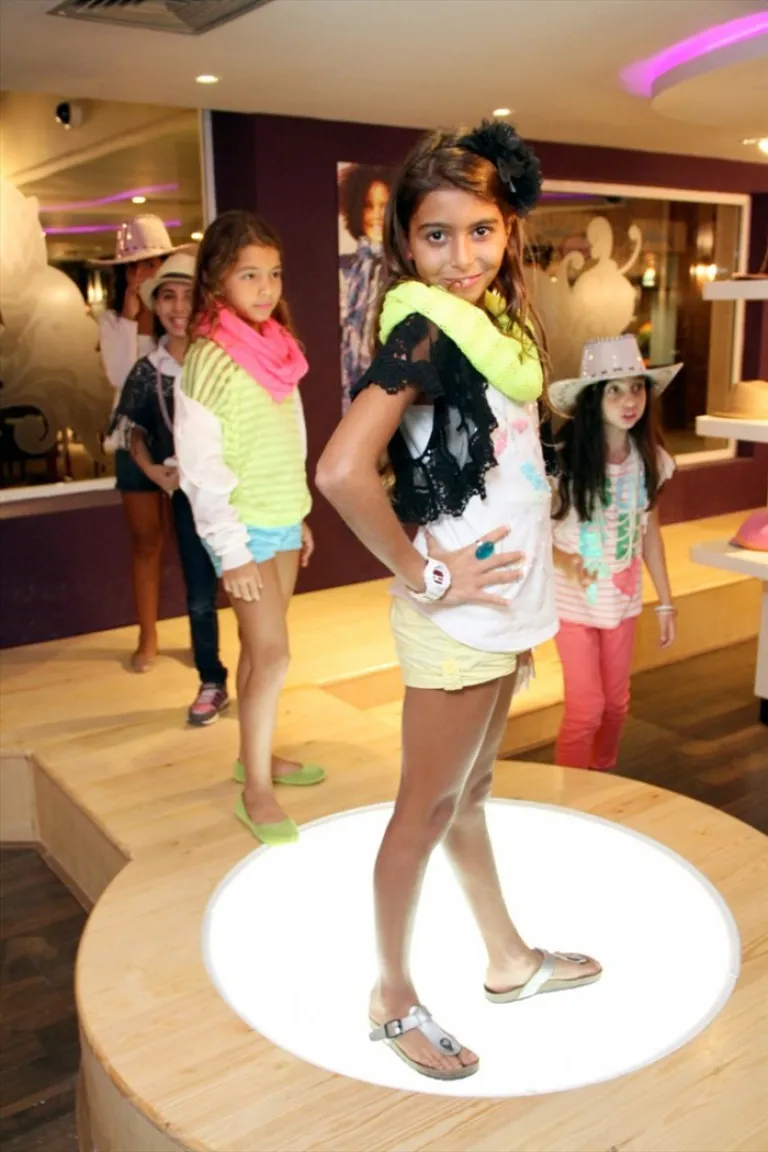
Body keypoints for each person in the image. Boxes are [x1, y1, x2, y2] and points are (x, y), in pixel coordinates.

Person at [317, 121, 601, 1083]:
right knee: (423, 811)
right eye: (436, 235)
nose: (462, 255)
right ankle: (390, 997)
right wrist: (424, 572)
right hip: (461, 623)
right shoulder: (425, 329)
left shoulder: (494, 330)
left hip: (497, 615)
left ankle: (507, 960)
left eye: (480, 230)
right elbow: (342, 471)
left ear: (508, 229)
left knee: (466, 795)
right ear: (406, 242)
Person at [175, 211, 325, 847]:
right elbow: (200, 470)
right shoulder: (207, 359)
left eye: (274, 273)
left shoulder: (278, 348)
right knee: (274, 655)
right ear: (216, 278)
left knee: (257, 650)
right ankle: (255, 789)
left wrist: (299, 512)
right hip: (244, 531)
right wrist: (231, 551)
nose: (266, 288)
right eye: (249, 275)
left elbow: (286, 440)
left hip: (281, 518)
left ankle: (253, 757)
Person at [549, 334, 679, 771]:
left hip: (622, 600)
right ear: (593, 399)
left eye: (637, 388)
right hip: (572, 604)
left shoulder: (649, 459)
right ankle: (568, 797)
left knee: (617, 706)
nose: (629, 400)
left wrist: (665, 601)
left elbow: (650, 533)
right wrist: (566, 563)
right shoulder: (563, 462)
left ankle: (603, 780)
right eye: (615, 390)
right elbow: (533, 533)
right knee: (586, 709)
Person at [112, 250, 229, 726]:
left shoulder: (223, 361)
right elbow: (134, 430)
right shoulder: (147, 370)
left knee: (250, 586)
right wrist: (152, 469)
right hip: (183, 494)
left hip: (232, 493)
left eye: (188, 296)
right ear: (156, 304)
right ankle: (211, 677)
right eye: (168, 296)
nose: (179, 307)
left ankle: (259, 674)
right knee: (199, 590)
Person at [94, 215, 180, 672]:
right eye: (134, 265)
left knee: (198, 540)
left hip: (183, 436)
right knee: (147, 540)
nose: (143, 273)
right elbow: (121, 378)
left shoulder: (179, 315)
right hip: (133, 439)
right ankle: (148, 636)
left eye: (153, 262)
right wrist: (130, 319)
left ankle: (205, 635)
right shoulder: (112, 321)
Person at [339, 164, 393, 412]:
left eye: (384, 206)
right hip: (350, 389)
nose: (376, 215)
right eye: (369, 206)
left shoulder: (407, 271)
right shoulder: (346, 269)